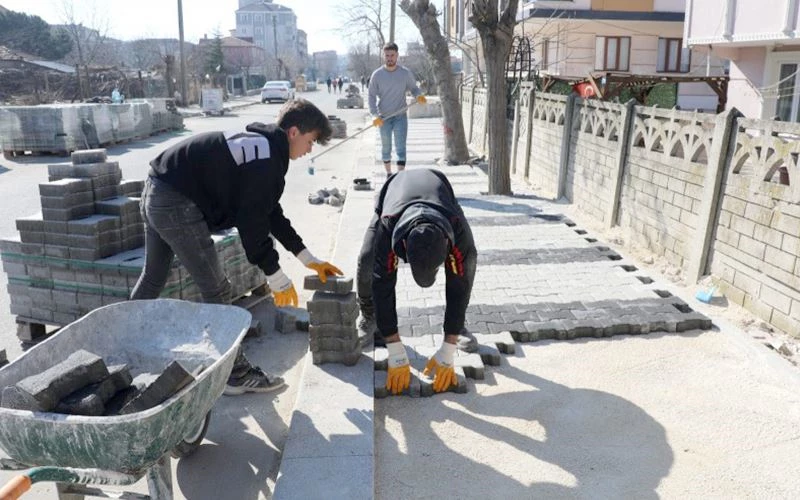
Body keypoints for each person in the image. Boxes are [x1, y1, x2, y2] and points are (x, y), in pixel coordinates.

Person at [131, 98, 342, 395]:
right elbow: (252, 223)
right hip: (176, 202)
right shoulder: (267, 159)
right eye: (310, 141)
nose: (310, 150)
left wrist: (307, 258)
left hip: (157, 189)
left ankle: (124, 343)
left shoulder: (265, 149)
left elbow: (270, 212)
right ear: (294, 132)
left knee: (153, 278)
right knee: (217, 289)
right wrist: (275, 275)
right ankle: (235, 374)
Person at [356, 168, 477, 394]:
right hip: (394, 195)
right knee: (367, 261)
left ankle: (458, 327)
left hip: (440, 195)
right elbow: (383, 285)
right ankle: (369, 314)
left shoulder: (457, 230)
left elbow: (459, 285)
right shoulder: (389, 227)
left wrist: (448, 348)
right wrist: (395, 349)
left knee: (464, 271)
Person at [368, 42, 427, 177]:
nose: (390, 58)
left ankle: (400, 176)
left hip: (400, 116)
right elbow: (371, 96)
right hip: (383, 118)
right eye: (387, 55)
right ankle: (389, 174)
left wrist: (419, 95)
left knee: (400, 147)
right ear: (384, 56)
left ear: (397, 56)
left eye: (392, 55)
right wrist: (374, 115)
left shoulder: (405, 73)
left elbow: (414, 88)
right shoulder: (377, 75)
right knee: (386, 148)